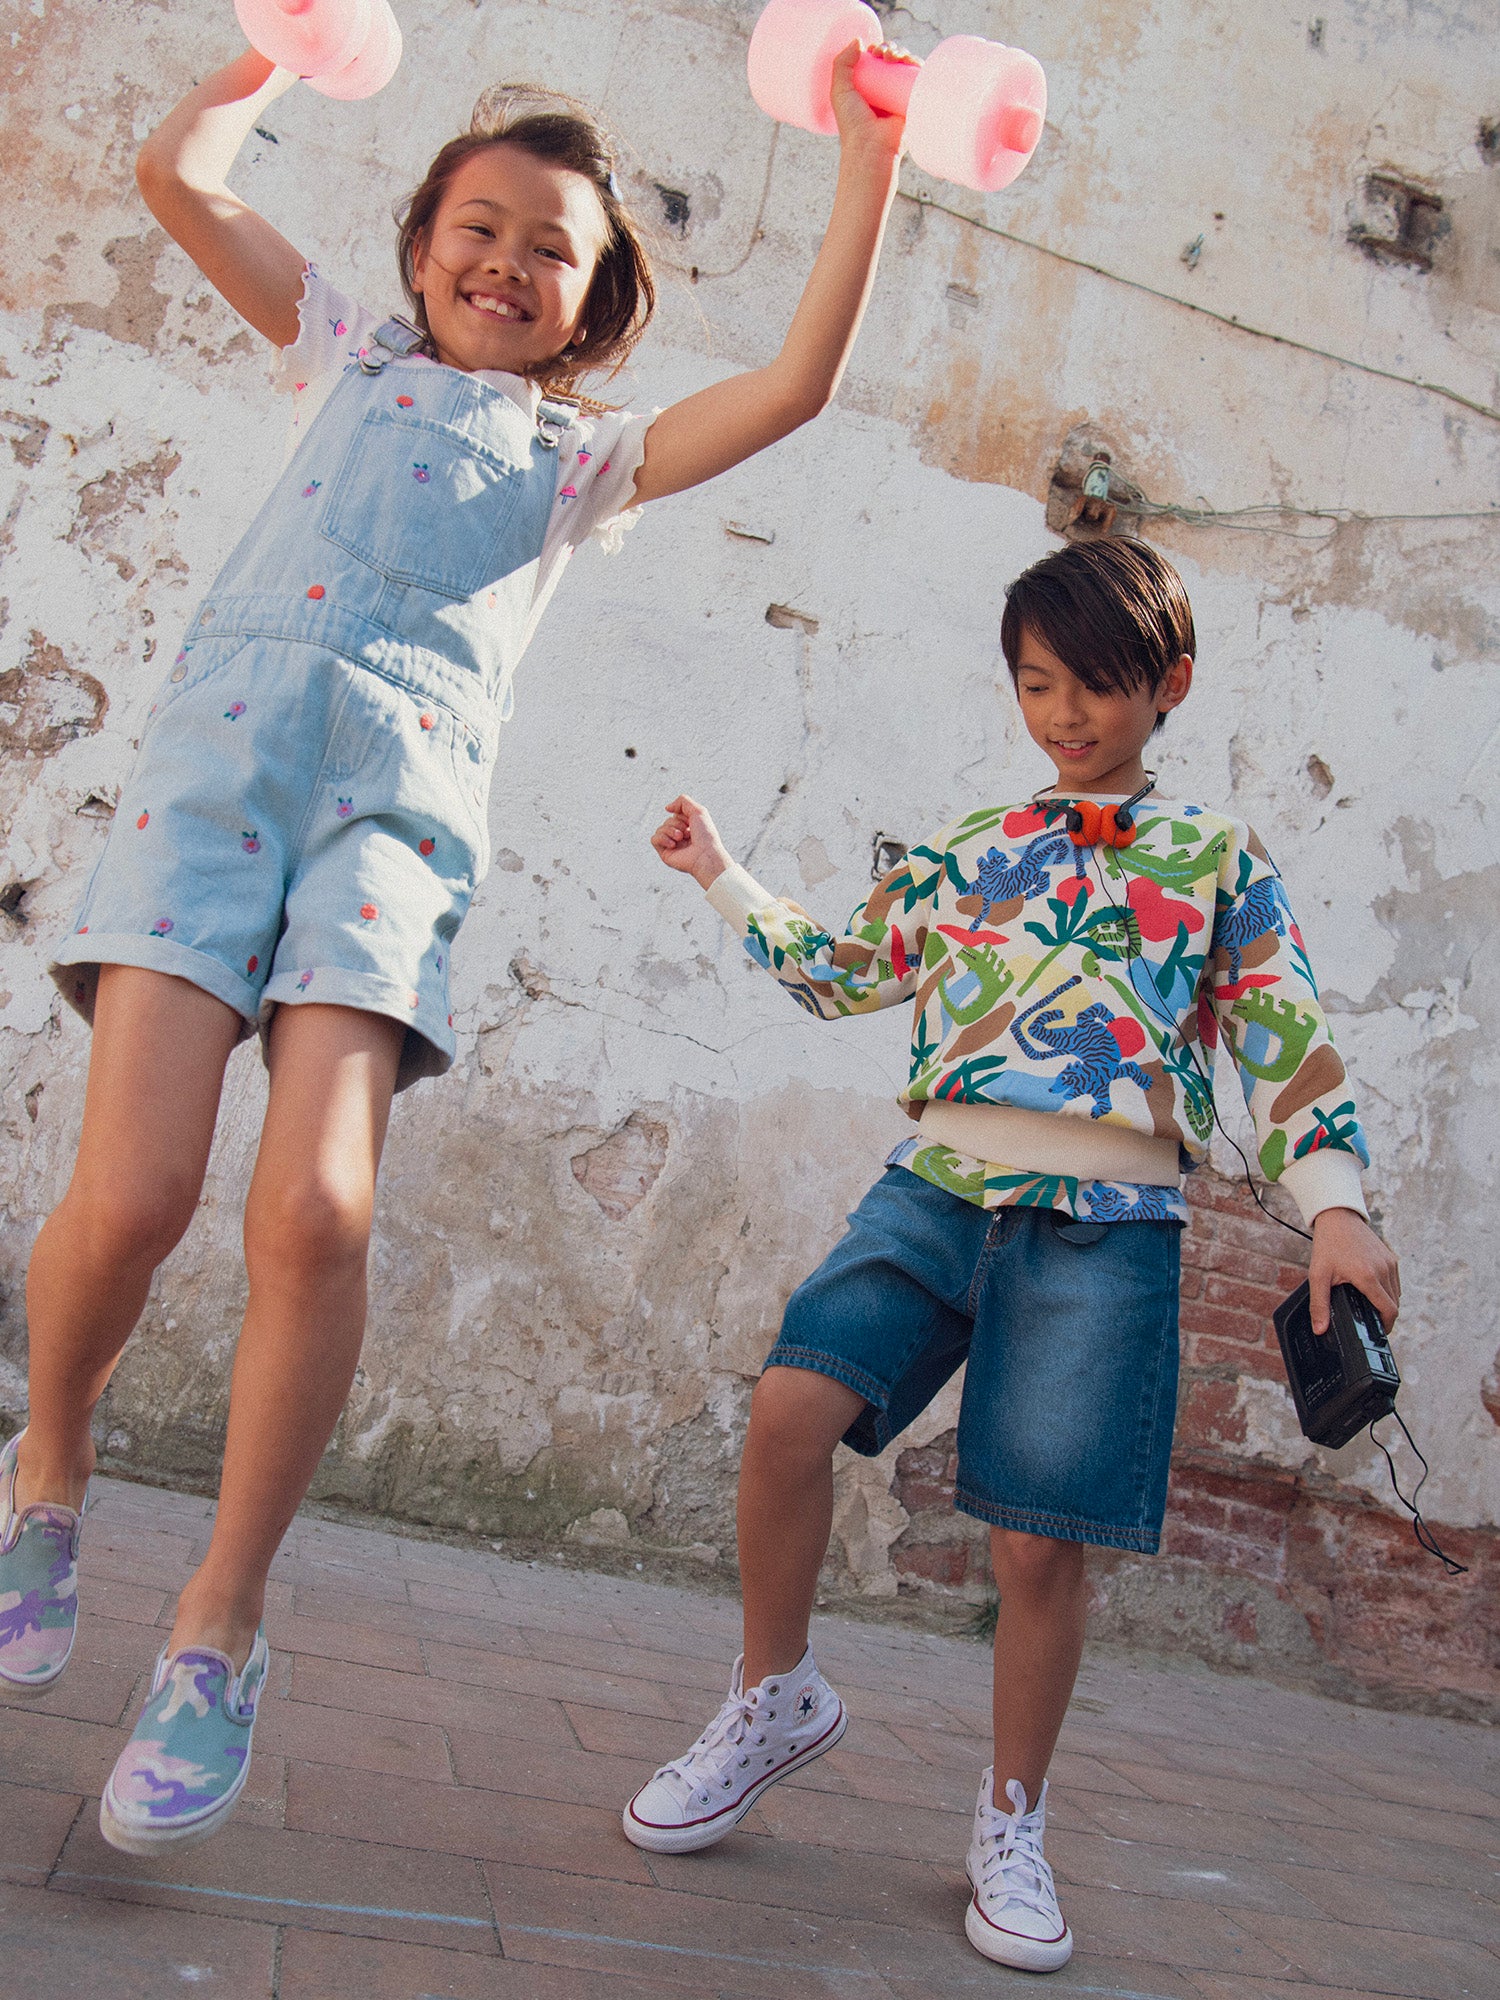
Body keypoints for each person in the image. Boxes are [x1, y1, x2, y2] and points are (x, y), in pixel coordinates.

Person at [0, 33, 907, 1855]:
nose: (506, 260)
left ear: (593, 302)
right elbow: (187, 183)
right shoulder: (343, 347)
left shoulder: (590, 464)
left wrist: (875, 157)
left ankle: (220, 1626)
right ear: (419, 250)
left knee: (318, 1210)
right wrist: (278, 50)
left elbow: (800, 384)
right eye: (477, 226)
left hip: (389, 842)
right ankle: (50, 1461)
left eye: (551, 248)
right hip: (215, 785)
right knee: (138, 1191)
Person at [629, 537, 1399, 1970]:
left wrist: (1336, 1204)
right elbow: (842, 974)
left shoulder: (1217, 859)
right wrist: (723, 876)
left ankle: (1011, 1818)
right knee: (791, 1410)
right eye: (1037, 685)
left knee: (1040, 1546)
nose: (1063, 715)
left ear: (1168, 683)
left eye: (1096, 686)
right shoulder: (973, 850)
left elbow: (1286, 1037)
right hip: (934, 1190)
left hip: (1106, 1231)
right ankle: (774, 1695)